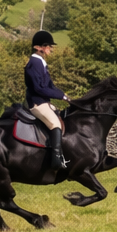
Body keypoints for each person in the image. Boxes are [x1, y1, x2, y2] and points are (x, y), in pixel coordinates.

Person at [26, 31, 70, 170]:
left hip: (44, 101)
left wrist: (64, 96)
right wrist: (61, 96)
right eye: (49, 46)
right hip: (37, 102)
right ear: (40, 48)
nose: (51, 49)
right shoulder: (34, 63)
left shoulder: (41, 63)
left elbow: (50, 86)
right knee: (55, 124)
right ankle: (56, 160)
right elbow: (39, 88)